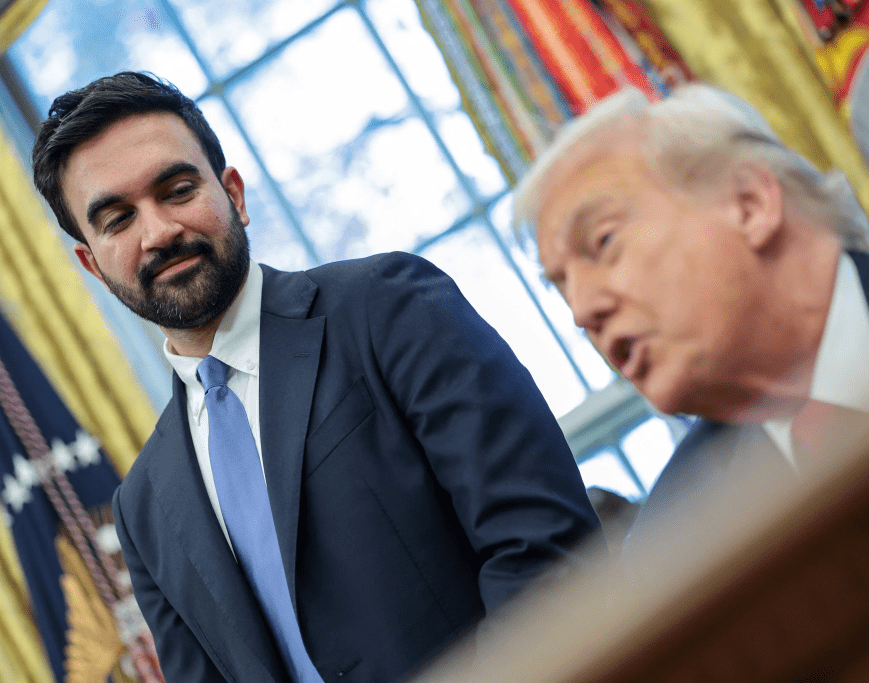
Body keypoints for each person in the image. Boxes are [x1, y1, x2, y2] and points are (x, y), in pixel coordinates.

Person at [31, 72, 600, 683]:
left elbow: (543, 546)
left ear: (234, 195)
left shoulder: (387, 307)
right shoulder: (141, 512)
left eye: (176, 189)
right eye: (117, 219)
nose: (159, 231)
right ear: (92, 264)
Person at [514, 83, 869, 534]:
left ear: (750, 205)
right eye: (563, 287)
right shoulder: (673, 542)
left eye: (604, 242)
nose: (582, 311)